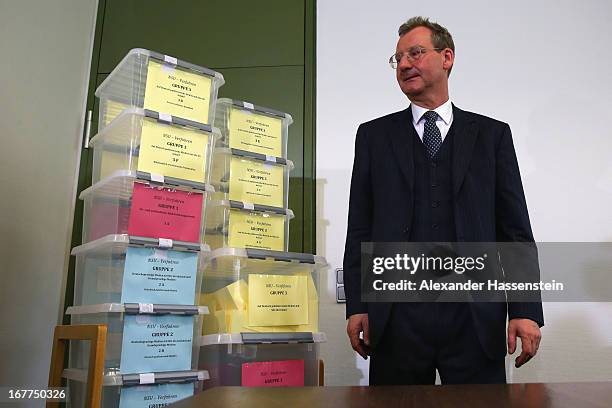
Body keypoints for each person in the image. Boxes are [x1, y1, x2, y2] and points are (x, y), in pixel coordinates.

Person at [343, 16, 543, 385]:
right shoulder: (373, 137)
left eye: (415, 53)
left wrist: (525, 309)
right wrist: (357, 306)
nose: (404, 64)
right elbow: (360, 228)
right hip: (397, 318)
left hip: (474, 317)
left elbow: (514, 231)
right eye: (398, 58)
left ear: (447, 57)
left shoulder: (492, 136)